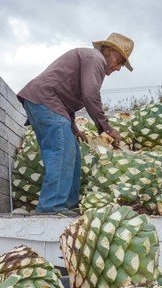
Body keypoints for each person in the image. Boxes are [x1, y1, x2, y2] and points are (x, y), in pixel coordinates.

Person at [17, 33, 132, 216]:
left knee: (73, 154)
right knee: (61, 152)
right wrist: (107, 128)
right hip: (45, 100)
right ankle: (50, 208)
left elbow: (66, 96)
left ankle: (68, 206)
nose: (118, 68)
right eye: (119, 61)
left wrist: (73, 127)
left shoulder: (91, 60)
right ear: (109, 51)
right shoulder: (96, 59)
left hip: (48, 102)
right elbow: (90, 95)